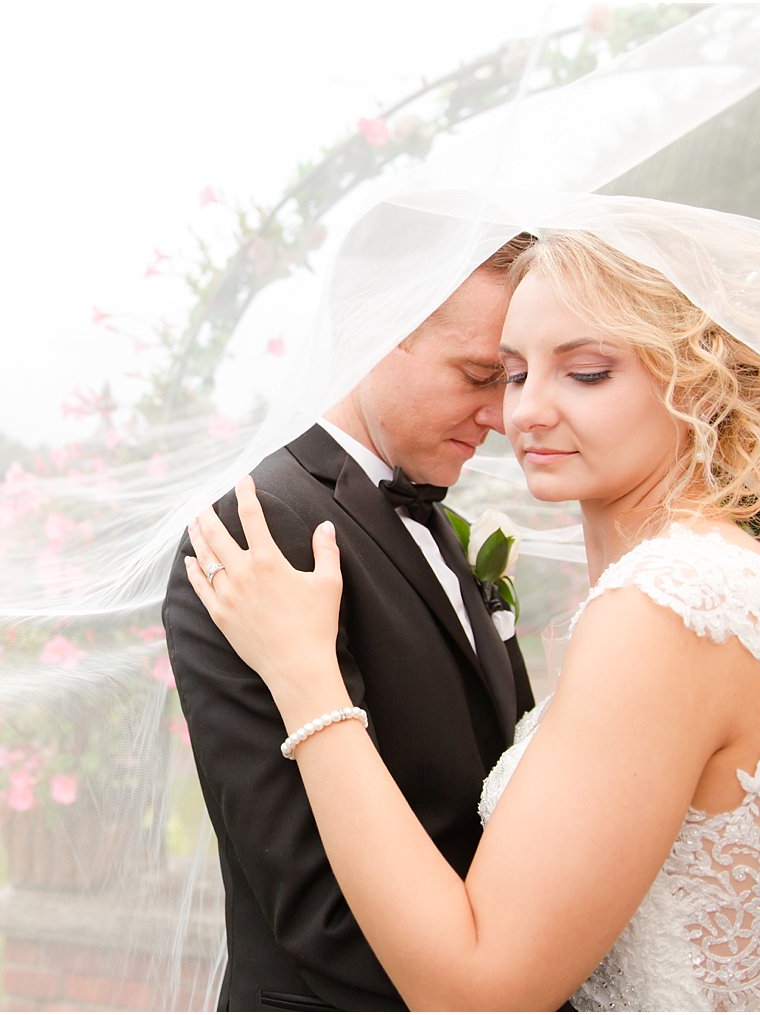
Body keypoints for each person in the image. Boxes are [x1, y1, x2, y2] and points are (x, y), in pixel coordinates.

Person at [178, 200, 760, 1010]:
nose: (520, 412)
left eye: (587, 371)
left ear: (702, 385)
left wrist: (306, 678)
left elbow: (479, 988)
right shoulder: (736, 581)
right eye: (509, 371)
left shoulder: (672, 604)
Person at [162, 234, 540, 1011]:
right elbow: (316, 910)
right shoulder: (262, 528)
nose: (502, 416)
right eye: (478, 376)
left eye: (509, 381)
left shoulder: (433, 516)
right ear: (375, 328)